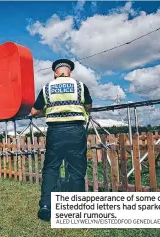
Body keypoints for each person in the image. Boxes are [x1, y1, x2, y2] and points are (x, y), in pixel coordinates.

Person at [30, 59, 93, 222]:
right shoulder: (80, 86)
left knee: (51, 168)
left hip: (55, 132)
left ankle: (45, 207)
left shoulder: (47, 88)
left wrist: (48, 112)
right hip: (76, 131)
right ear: (69, 71)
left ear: (55, 73)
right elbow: (88, 106)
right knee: (76, 169)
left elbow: (34, 111)